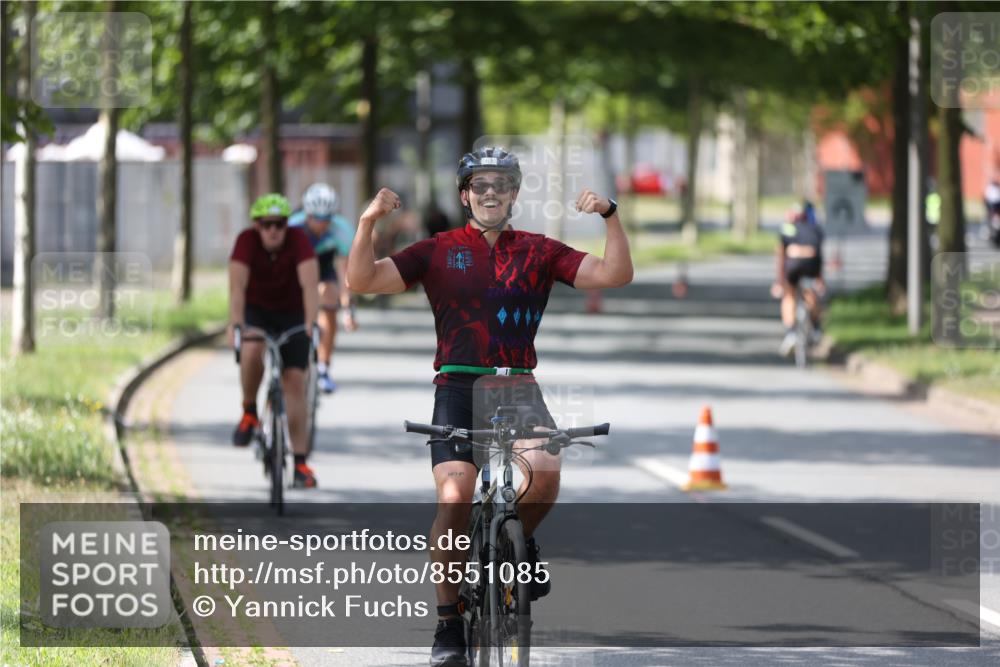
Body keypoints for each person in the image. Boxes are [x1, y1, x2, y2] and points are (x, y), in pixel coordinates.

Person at [346, 147, 634, 667]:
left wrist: (610, 215)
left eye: (501, 183)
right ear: (465, 195)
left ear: (515, 194)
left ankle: (518, 543)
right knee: (454, 497)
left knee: (543, 472)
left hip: (517, 387)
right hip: (457, 387)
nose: (490, 192)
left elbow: (615, 275)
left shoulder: (539, 250)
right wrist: (367, 223)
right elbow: (361, 282)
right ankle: (449, 623)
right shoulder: (438, 250)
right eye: (480, 185)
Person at [228, 193, 320, 489]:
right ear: (256, 225)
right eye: (266, 225)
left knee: (295, 384)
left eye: (279, 224)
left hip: (292, 314)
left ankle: (301, 463)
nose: (273, 231)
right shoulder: (245, 242)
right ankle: (249, 412)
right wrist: (236, 324)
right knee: (252, 348)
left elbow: (309, 285)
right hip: (257, 312)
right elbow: (237, 288)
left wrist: (310, 323)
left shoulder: (299, 241)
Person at [289, 183, 358, 393]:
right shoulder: (292, 226)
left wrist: (347, 309)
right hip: (297, 265)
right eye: (316, 219)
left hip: (325, 265)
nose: (321, 224)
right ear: (306, 214)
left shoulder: (342, 230)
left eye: (326, 219)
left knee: (329, 295)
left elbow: (345, 272)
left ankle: (323, 367)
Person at [773, 200, 826, 355]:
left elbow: (780, 256)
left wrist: (779, 281)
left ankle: (790, 333)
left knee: (789, 295)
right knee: (810, 292)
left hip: (793, 264)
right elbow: (819, 256)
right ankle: (815, 328)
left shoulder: (787, 228)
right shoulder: (816, 228)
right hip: (811, 264)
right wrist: (820, 279)